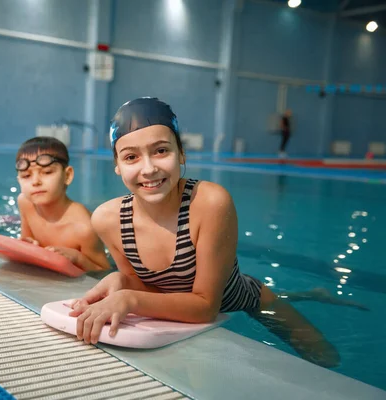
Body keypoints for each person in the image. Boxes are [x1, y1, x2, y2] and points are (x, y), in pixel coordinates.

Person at [69, 97, 343, 368]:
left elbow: (207, 307)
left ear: (182, 154)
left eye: (161, 151)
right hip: (183, 306)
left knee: (327, 361)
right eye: (131, 157)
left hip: (244, 300)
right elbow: (149, 288)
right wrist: (121, 281)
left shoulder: (209, 203)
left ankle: (310, 295)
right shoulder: (108, 220)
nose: (149, 168)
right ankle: (311, 292)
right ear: (117, 166)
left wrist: (129, 298)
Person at [15, 136, 111, 272]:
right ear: (19, 180)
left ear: (67, 176)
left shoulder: (83, 228)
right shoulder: (25, 202)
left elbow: (104, 270)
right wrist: (27, 243)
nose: (35, 181)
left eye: (47, 172)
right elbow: (26, 238)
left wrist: (78, 258)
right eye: (26, 176)